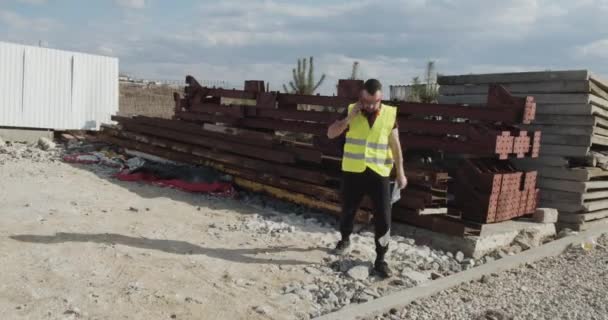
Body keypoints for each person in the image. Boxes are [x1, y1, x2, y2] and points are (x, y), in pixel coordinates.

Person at [326, 79, 407, 278]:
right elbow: (330, 134)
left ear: (381, 98)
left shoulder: (389, 114)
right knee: (348, 210)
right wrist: (348, 119)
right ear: (361, 98)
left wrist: (401, 173)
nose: (370, 106)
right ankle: (345, 239)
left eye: (375, 102)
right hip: (353, 171)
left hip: (379, 173)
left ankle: (381, 259)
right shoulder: (351, 110)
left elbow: (395, 145)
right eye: (366, 102)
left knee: (384, 217)